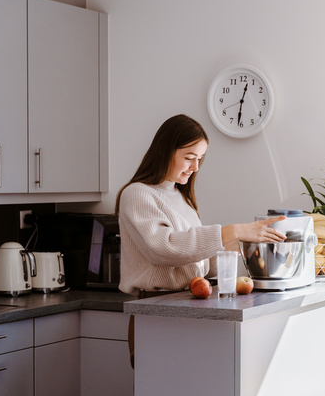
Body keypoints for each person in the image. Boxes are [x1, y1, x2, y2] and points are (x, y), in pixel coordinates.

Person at [115, 114, 286, 297]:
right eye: (189, 157)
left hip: (189, 296)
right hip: (153, 304)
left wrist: (241, 245)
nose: (196, 167)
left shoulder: (183, 199)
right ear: (165, 152)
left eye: (200, 158)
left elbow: (197, 263)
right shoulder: (137, 194)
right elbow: (164, 250)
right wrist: (231, 231)